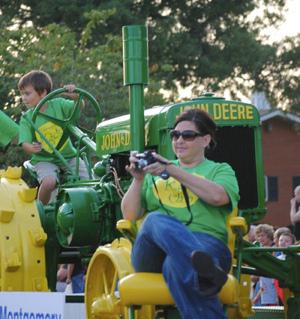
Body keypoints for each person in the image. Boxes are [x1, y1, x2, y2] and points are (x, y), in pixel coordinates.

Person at [121, 109, 240, 318]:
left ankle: (201, 269)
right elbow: (130, 215)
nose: (179, 141)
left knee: (175, 265)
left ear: (205, 140)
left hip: (207, 243)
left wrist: (173, 171)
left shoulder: (220, 170)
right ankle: (207, 269)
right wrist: (138, 179)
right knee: (154, 220)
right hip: (153, 251)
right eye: (175, 135)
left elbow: (218, 197)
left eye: (188, 136)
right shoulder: (153, 172)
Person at [18, 70, 89, 204]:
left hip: (69, 156)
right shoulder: (27, 118)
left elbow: (79, 106)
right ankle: (42, 211)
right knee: (49, 182)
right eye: (22, 94)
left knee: (88, 179)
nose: (23, 98)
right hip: (44, 159)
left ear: (43, 92)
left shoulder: (59, 104)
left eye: (27, 93)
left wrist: (75, 96)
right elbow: (24, 143)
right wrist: (32, 148)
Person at [251, 224, 278, 306]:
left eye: (262, 235)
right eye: (258, 236)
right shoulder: (259, 250)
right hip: (260, 283)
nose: (260, 238)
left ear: (269, 235)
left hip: (270, 283)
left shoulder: (275, 249)